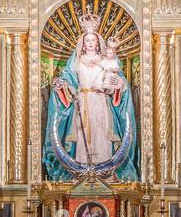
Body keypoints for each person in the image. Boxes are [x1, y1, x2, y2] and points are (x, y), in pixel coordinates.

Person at [43, 20, 139, 181]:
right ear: (82, 43)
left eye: (93, 40)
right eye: (87, 40)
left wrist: (118, 84)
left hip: (101, 102)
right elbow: (68, 80)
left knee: (102, 133)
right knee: (82, 134)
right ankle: (82, 174)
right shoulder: (76, 61)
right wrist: (61, 85)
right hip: (81, 103)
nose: (90, 43)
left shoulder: (106, 61)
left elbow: (118, 80)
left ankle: (105, 174)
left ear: (98, 42)